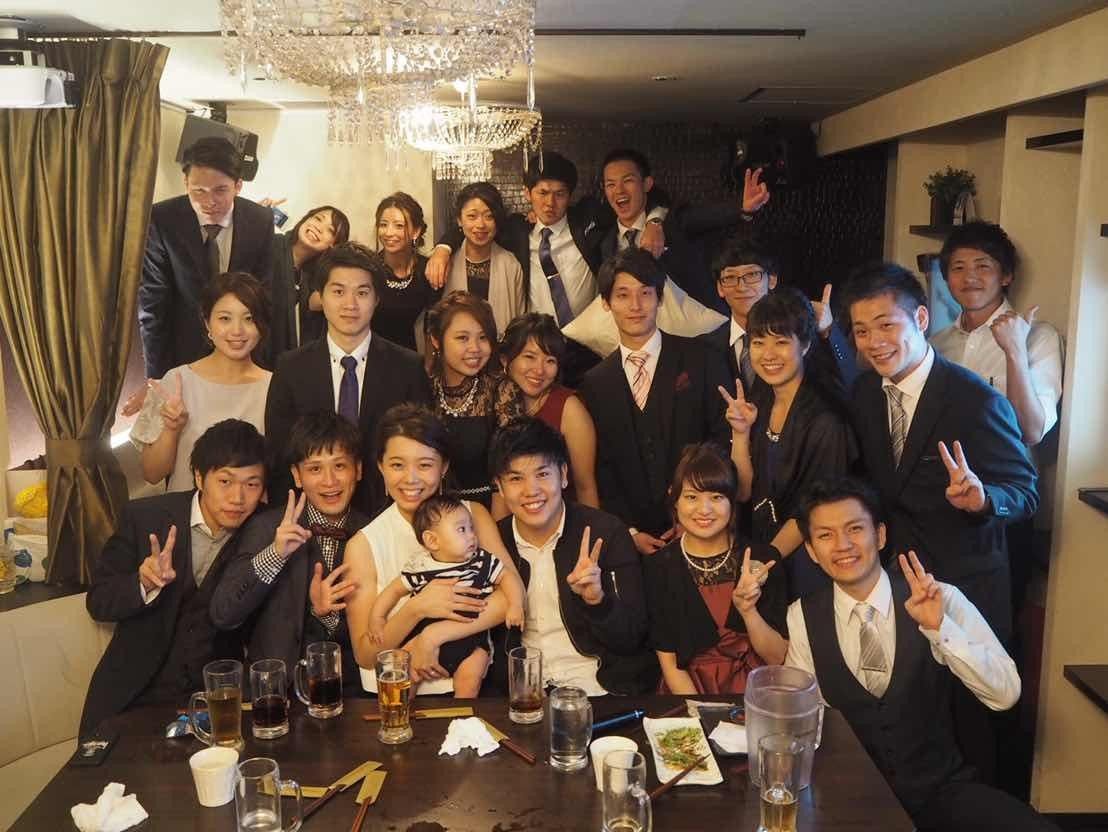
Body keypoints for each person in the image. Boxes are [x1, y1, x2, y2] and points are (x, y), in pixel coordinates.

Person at [784, 478, 1059, 832]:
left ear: (880, 535)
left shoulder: (942, 597)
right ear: (810, 550)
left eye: (855, 529)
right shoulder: (801, 616)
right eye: (825, 535)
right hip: (852, 797)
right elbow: (804, 721)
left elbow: (1006, 693)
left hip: (940, 791)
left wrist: (939, 628)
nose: (843, 545)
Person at [841, 261, 1037, 643]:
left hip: (962, 594)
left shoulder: (976, 401)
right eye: (862, 331)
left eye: (886, 325)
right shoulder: (863, 394)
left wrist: (983, 499)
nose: (874, 341)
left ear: (921, 318)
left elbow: (1024, 492)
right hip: (890, 585)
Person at [81, 420, 267, 734]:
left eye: (252, 485)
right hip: (133, 694)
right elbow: (98, 601)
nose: (238, 497)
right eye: (225, 481)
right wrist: (142, 583)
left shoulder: (263, 531)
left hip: (213, 702)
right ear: (199, 477)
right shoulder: (145, 517)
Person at [426, 152, 662, 386]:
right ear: (527, 193)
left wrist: (655, 220)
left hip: (591, 346)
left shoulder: (587, 222)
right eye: (543, 193)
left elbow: (647, 196)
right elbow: (475, 226)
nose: (550, 203)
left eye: (559, 194)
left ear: (570, 196)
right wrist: (443, 248)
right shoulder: (516, 231)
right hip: (540, 351)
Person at [341, 404, 518, 694]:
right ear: (380, 466)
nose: (411, 478)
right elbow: (365, 654)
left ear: (443, 467)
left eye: (424, 465)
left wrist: (432, 636)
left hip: (469, 686)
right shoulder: (364, 544)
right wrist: (416, 608)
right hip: (394, 698)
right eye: (397, 465)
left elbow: (511, 598)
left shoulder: (472, 516)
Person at [577, 248, 730, 553]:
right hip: (632, 541)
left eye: (645, 293)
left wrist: (695, 515)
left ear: (660, 298)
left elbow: (722, 440)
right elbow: (602, 467)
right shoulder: (594, 382)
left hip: (705, 527)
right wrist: (627, 533)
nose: (635, 306)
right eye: (622, 295)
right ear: (606, 303)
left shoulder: (701, 359)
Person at [491, 417, 658, 695]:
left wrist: (597, 601)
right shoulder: (495, 543)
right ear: (499, 486)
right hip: (523, 694)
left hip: (598, 689)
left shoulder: (606, 533)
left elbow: (632, 638)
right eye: (516, 478)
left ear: (564, 474)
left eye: (543, 474)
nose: (531, 490)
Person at [265, 241, 431, 517]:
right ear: (321, 296)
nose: (350, 304)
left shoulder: (408, 367)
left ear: (377, 299)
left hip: (388, 515)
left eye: (362, 293)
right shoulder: (291, 368)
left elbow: (420, 451)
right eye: (338, 291)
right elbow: (281, 456)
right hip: (310, 520)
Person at [209, 411, 368, 693]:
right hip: (271, 693)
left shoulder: (372, 532)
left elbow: (374, 636)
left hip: (347, 693)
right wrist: (275, 554)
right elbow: (224, 613)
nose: (329, 481)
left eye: (339, 466)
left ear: (358, 470)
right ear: (297, 475)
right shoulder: (265, 526)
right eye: (315, 469)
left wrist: (325, 614)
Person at [724, 288, 858, 599]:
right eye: (759, 342)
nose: (768, 354)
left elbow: (814, 508)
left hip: (807, 560)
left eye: (781, 342)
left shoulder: (826, 420)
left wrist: (765, 560)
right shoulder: (760, 399)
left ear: (806, 345)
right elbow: (743, 492)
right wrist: (741, 433)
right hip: (760, 548)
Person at [644, 443, 788, 695]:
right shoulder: (659, 567)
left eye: (716, 497)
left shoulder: (764, 558)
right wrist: (699, 713)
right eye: (691, 497)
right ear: (674, 500)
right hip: (687, 694)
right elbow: (670, 665)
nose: (704, 510)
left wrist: (749, 611)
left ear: (732, 502)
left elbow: (777, 657)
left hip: (757, 692)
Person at [139, 136, 274, 379]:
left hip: (243, 351)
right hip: (183, 352)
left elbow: (263, 296)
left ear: (238, 185)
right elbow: (152, 304)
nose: (209, 202)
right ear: (186, 183)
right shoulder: (162, 219)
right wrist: (157, 376)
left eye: (220, 190)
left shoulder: (260, 221)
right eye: (198, 190)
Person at [369, 496, 526, 697]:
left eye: (471, 528)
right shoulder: (421, 566)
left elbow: (507, 577)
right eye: (462, 530)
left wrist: (515, 604)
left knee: (470, 678)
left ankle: (462, 713)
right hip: (422, 641)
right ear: (432, 540)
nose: (472, 536)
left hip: (471, 641)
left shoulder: (481, 561)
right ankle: (403, 711)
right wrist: (377, 618)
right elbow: (394, 591)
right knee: (406, 676)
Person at [130, 271, 272, 492]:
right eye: (225, 319)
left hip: (253, 512)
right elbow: (152, 473)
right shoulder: (177, 382)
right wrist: (171, 430)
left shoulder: (275, 387)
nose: (237, 331)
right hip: (187, 510)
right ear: (207, 323)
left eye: (249, 319)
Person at [930, 221, 1063, 448]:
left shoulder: (1039, 337)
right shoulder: (935, 345)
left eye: (982, 266)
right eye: (958, 268)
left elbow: (1031, 432)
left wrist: (1015, 350)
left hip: (1003, 469)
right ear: (947, 279)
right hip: (940, 467)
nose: (969, 277)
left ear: (1006, 276)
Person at [597, 149, 771, 312]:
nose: (619, 190)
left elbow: (706, 216)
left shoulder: (673, 221)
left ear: (647, 184)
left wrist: (743, 208)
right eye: (610, 184)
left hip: (698, 326)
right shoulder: (605, 243)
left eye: (628, 181)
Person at [701, 236, 857, 399]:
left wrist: (828, 331)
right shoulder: (706, 346)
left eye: (752, 274)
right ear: (720, 288)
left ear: (772, 280)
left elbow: (853, 385)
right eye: (730, 278)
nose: (741, 287)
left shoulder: (802, 332)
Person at [425, 291, 523, 511]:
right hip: (432, 512)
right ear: (436, 340)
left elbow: (510, 469)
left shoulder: (501, 389)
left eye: (483, 337)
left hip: (491, 509)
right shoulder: (422, 386)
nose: (475, 348)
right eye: (462, 338)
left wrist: (495, 527)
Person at [499, 312, 599, 507]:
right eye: (529, 357)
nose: (539, 370)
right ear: (505, 360)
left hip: (562, 516)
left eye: (550, 360)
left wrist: (592, 525)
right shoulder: (496, 400)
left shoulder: (569, 409)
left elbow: (585, 486)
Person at [442, 182, 525, 337]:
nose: (480, 224)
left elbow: (519, 321)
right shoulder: (444, 263)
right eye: (472, 216)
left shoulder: (511, 264)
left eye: (489, 216)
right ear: (459, 220)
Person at [268, 205, 351, 358]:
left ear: (333, 245)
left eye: (330, 230)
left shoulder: (314, 277)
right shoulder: (269, 245)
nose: (319, 228)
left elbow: (315, 304)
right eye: (318, 219)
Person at [372, 192, 441, 351]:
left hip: (410, 356)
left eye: (399, 225)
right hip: (370, 355)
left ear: (416, 231)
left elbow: (432, 326)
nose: (389, 233)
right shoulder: (368, 268)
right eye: (383, 225)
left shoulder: (427, 270)